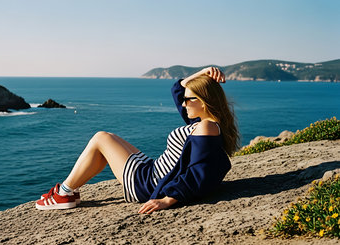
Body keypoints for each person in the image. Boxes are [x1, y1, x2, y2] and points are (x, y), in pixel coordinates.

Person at [35, 67, 240, 214]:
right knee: (108, 139)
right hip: (151, 170)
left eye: (189, 100)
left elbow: (200, 172)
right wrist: (204, 73)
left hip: (148, 184)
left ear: (203, 103)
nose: (183, 104)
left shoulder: (206, 127)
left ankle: (64, 193)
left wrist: (168, 200)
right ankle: (70, 191)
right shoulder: (206, 122)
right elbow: (177, 90)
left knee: (101, 138)